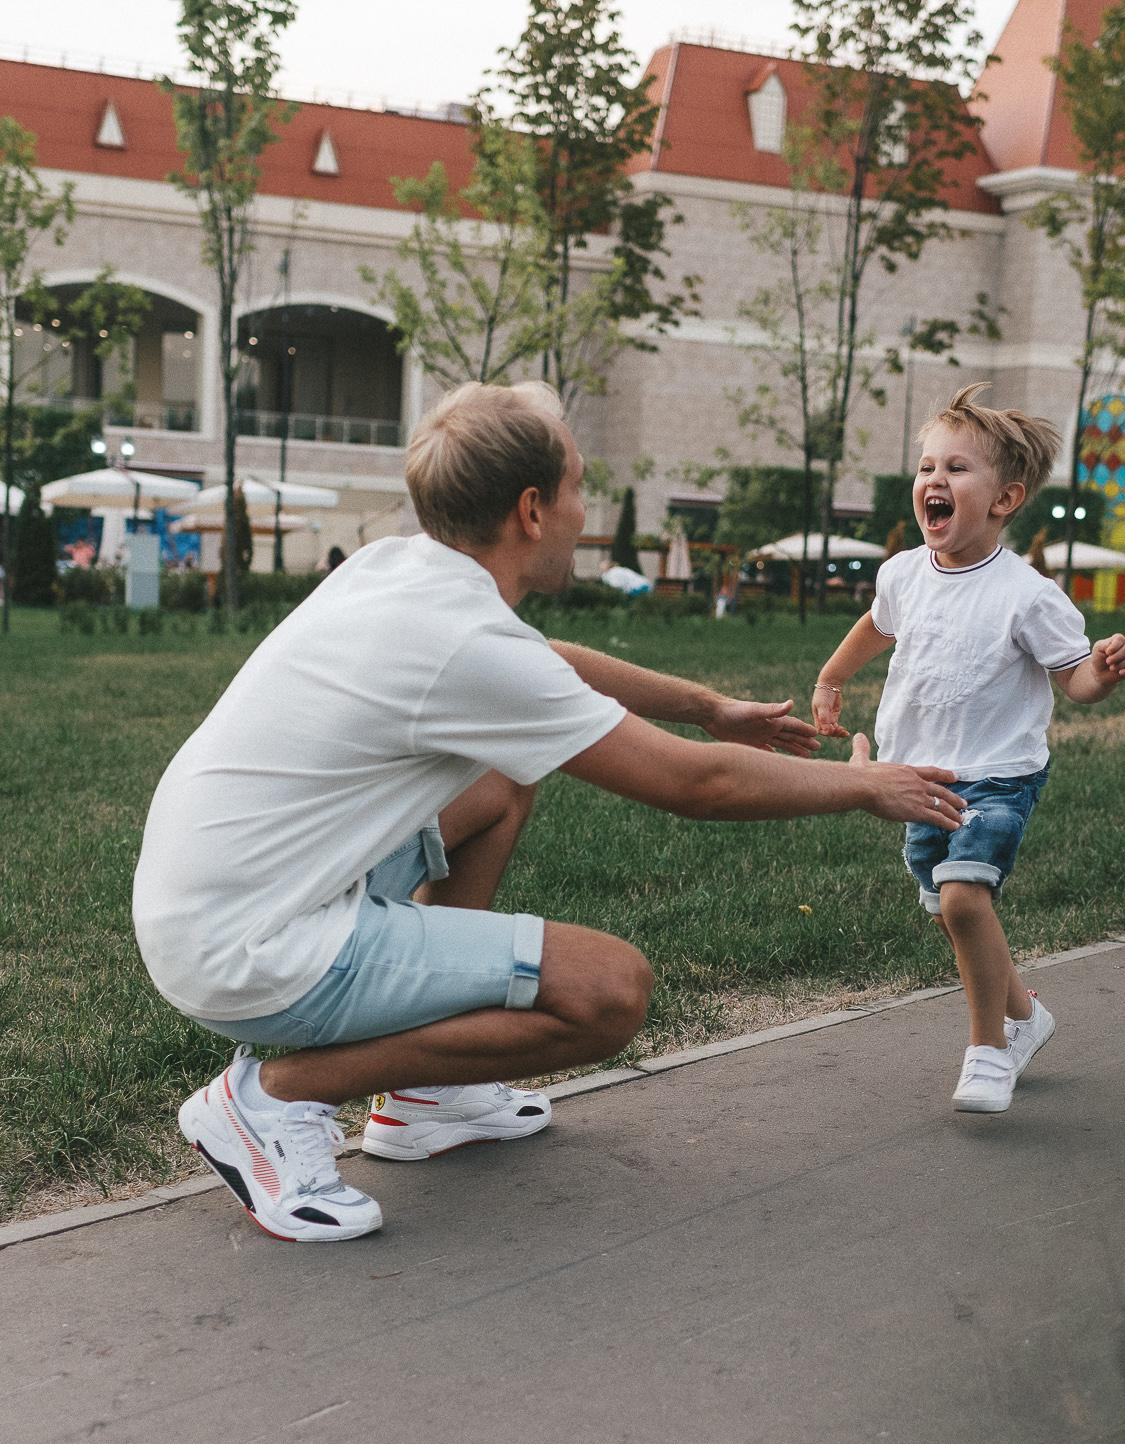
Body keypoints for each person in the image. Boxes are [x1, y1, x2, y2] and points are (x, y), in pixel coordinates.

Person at [133, 381, 965, 1243]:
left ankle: (428, 1099)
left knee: (499, 782)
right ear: (531, 510)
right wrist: (870, 784)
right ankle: (270, 1102)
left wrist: (704, 704)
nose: (582, 506)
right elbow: (694, 786)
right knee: (609, 992)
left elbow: (545, 658)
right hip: (254, 952)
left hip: (211, 907)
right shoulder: (461, 640)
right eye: (575, 486)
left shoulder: (401, 570)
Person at [809, 384, 1125, 1114]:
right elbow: (878, 625)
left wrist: (1103, 674)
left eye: (956, 469)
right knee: (951, 908)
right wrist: (834, 676)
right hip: (915, 777)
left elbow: (1074, 680)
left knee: (964, 900)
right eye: (928, 467)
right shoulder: (902, 573)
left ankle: (989, 1048)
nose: (934, 481)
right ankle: (1025, 1014)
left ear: (1004, 499)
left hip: (997, 778)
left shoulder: (1026, 595)